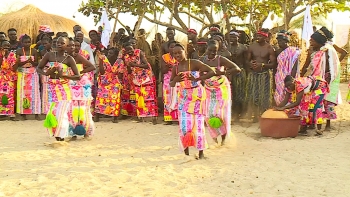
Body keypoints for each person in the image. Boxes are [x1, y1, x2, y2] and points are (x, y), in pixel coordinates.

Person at [38, 36, 92, 141]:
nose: (58, 44)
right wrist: (46, 73)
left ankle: (61, 135)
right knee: (52, 112)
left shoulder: (69, 59)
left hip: (64, 88)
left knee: (61, 112)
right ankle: (56, 134)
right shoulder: (49, 55)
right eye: (57, 42)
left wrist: (64, 76)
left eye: (62, 43)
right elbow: (38, 68)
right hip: (52, 87)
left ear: (67, 46)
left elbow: (77, 76)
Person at [169, 43, 215, 159]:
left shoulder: (194, 63)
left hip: (198, 97)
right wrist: (175, 79)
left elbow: (211, 72)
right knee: (184, 126)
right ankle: (186, 154)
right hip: (184, 98)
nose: (177, 55)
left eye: (179, 52)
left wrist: (198, 78)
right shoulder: (176, 68)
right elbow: (171, 83)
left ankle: (201, 153)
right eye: (175, 53)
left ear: (184, 51)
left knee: (198, 125)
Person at [200, 40, 241, 145]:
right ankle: (215, 135)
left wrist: (223, 72)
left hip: (222, 89)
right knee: (208, 115)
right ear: (206, 48)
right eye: (210, 50)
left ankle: (223, 138)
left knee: (221, 115)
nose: (212, 53)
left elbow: (237, 69)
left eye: (215, 51)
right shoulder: (202, 60)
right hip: (208, 90)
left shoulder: (220, 59)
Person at [308, 28, 342, 131]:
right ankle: (316, 123)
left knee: (327, 101)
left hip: (327, 78)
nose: (311, 42)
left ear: (319, 41)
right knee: (317, 101)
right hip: (321, 78)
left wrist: (326, 78)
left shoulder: (327, 50)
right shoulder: (320, 50)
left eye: (313, 41)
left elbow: (329, 65)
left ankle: (326, 124)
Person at [119, 40, 158, 124]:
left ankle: (153, 116)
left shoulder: (139, 52)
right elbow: (129, 71)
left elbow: (146, 65)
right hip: (136, 79)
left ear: (134, 48)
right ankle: (141, 116)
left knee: (149, 97)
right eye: (127, 50)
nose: (130, 51)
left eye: (131, 49)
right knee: (139, 97)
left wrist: (135, 65)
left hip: (146, 77)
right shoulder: (126, 57)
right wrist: (129, 66)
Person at [246, 29, 277, 122]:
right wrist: (251, 64)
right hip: (254, 74)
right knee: (254, 95)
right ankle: (255, 116)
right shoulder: (252, 47)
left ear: (265, 37)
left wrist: (262, 65)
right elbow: (247, 61)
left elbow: (273, 64)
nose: (257, 38)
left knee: (265, 96)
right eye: (257, 36)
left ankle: (264, 114)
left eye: (260, 36)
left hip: (264, 74)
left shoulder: (269, 48)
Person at [14, 35, 41, 120]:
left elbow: (37, 64)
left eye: (29, 42)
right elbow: (17, 64)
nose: (27, 44)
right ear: (21, 42)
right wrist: (26, 61)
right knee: (22, 93)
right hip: (22, 74)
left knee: (35, 93)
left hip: (33, 74)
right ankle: (23, 114)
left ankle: (36, 113)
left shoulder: (34, 51)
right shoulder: (18, 51)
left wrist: (32, 62)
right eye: (25, 42)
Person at [94, 48, 123, 123]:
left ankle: (114, 116)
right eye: (108, 53)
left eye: (111, 53)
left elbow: (120, 74)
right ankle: (97, 115)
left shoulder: (120, 62)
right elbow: (102, 72)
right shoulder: (104, 59)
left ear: (116, 55)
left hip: (115, 81)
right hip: (104, 81)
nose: (108, 55)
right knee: (100, 98)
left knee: (115, 98)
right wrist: (100, 61)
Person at [274, 30, 300, 106]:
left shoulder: (294, 51)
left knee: (290, 93)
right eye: (278, 41)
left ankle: (289, 109)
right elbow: (276, 66)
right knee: (279, 94)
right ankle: (280, 108)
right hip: (279, 77)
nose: (279, 43)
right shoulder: (277, 52)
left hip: (289, 76)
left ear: (286, 41)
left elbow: (295, 66)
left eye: (281, 41)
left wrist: (291, 78)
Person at [228, 30, 248, 121]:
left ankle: (242, 113)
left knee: (240, 93)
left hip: (240, 72)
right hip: (230, 72)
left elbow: (246, 61)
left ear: (238, 38)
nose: (231, 39)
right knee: (232, 93)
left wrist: (247, 74)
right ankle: (233, 113)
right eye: (230, 37)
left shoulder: (243, 48)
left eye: (233, 37)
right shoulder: (227, 48)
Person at [161, 40, 178, 124]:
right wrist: (167, 67)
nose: (173, 49)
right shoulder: (164, 57)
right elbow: (163, 70)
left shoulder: (180, 56)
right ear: (168, 48)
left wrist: (175, 67)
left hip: (178, 79)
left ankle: (178, 117)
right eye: (171, 47)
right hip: (168, 79)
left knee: (178, 98)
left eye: (174, 47)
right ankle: (168, 118)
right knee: (167, 98)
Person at [0, 40, 17, 120]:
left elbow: (13, 67)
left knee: (10, 95)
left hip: (10, 78)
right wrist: (2, 56)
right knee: (1, 95)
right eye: (4, 46)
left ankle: (10, 113)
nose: (6, 48)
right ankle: (2, 112)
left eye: (8, 46)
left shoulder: (12, 55)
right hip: (2, 77)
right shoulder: (0, 55)